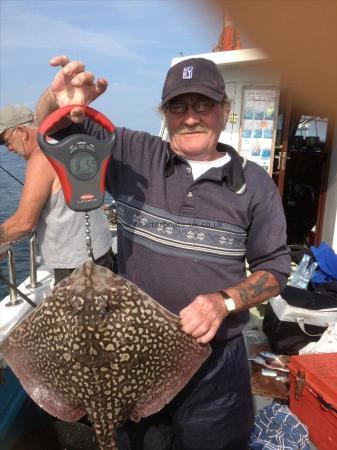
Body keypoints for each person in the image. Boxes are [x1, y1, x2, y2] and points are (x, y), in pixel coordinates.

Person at [36, 56, 291, 450]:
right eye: (178, 106)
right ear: (166, 113)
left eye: (203, 104)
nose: (191, 117)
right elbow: (52, 128)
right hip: (136, 360)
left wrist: (223, 302)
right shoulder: (135, 154)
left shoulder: (254, 185)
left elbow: (275, 270)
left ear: (224, 111)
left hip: (214, 365)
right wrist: (60, 102)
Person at [0, 104, 114, 284]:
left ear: (21, 131)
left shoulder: (41, 158)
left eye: (6, 141)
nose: (9, 148)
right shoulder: (68, 146)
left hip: (76, 267)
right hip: (101, 253)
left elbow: (24, 222)